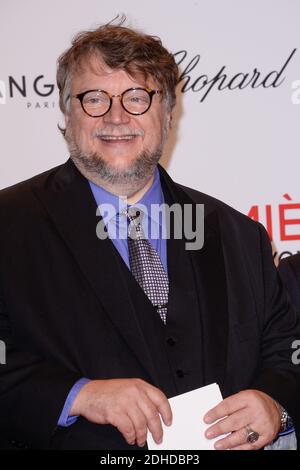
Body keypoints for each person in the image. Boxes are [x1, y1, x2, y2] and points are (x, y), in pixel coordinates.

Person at [0, 19, 299, 451]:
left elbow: (288, 352)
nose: (116, 116)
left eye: (137, 98)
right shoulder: (9, 226)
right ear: (68, 113)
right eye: (94, 98)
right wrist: (75, 394)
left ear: (168, 114)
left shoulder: (240, 235)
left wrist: (275, 403)